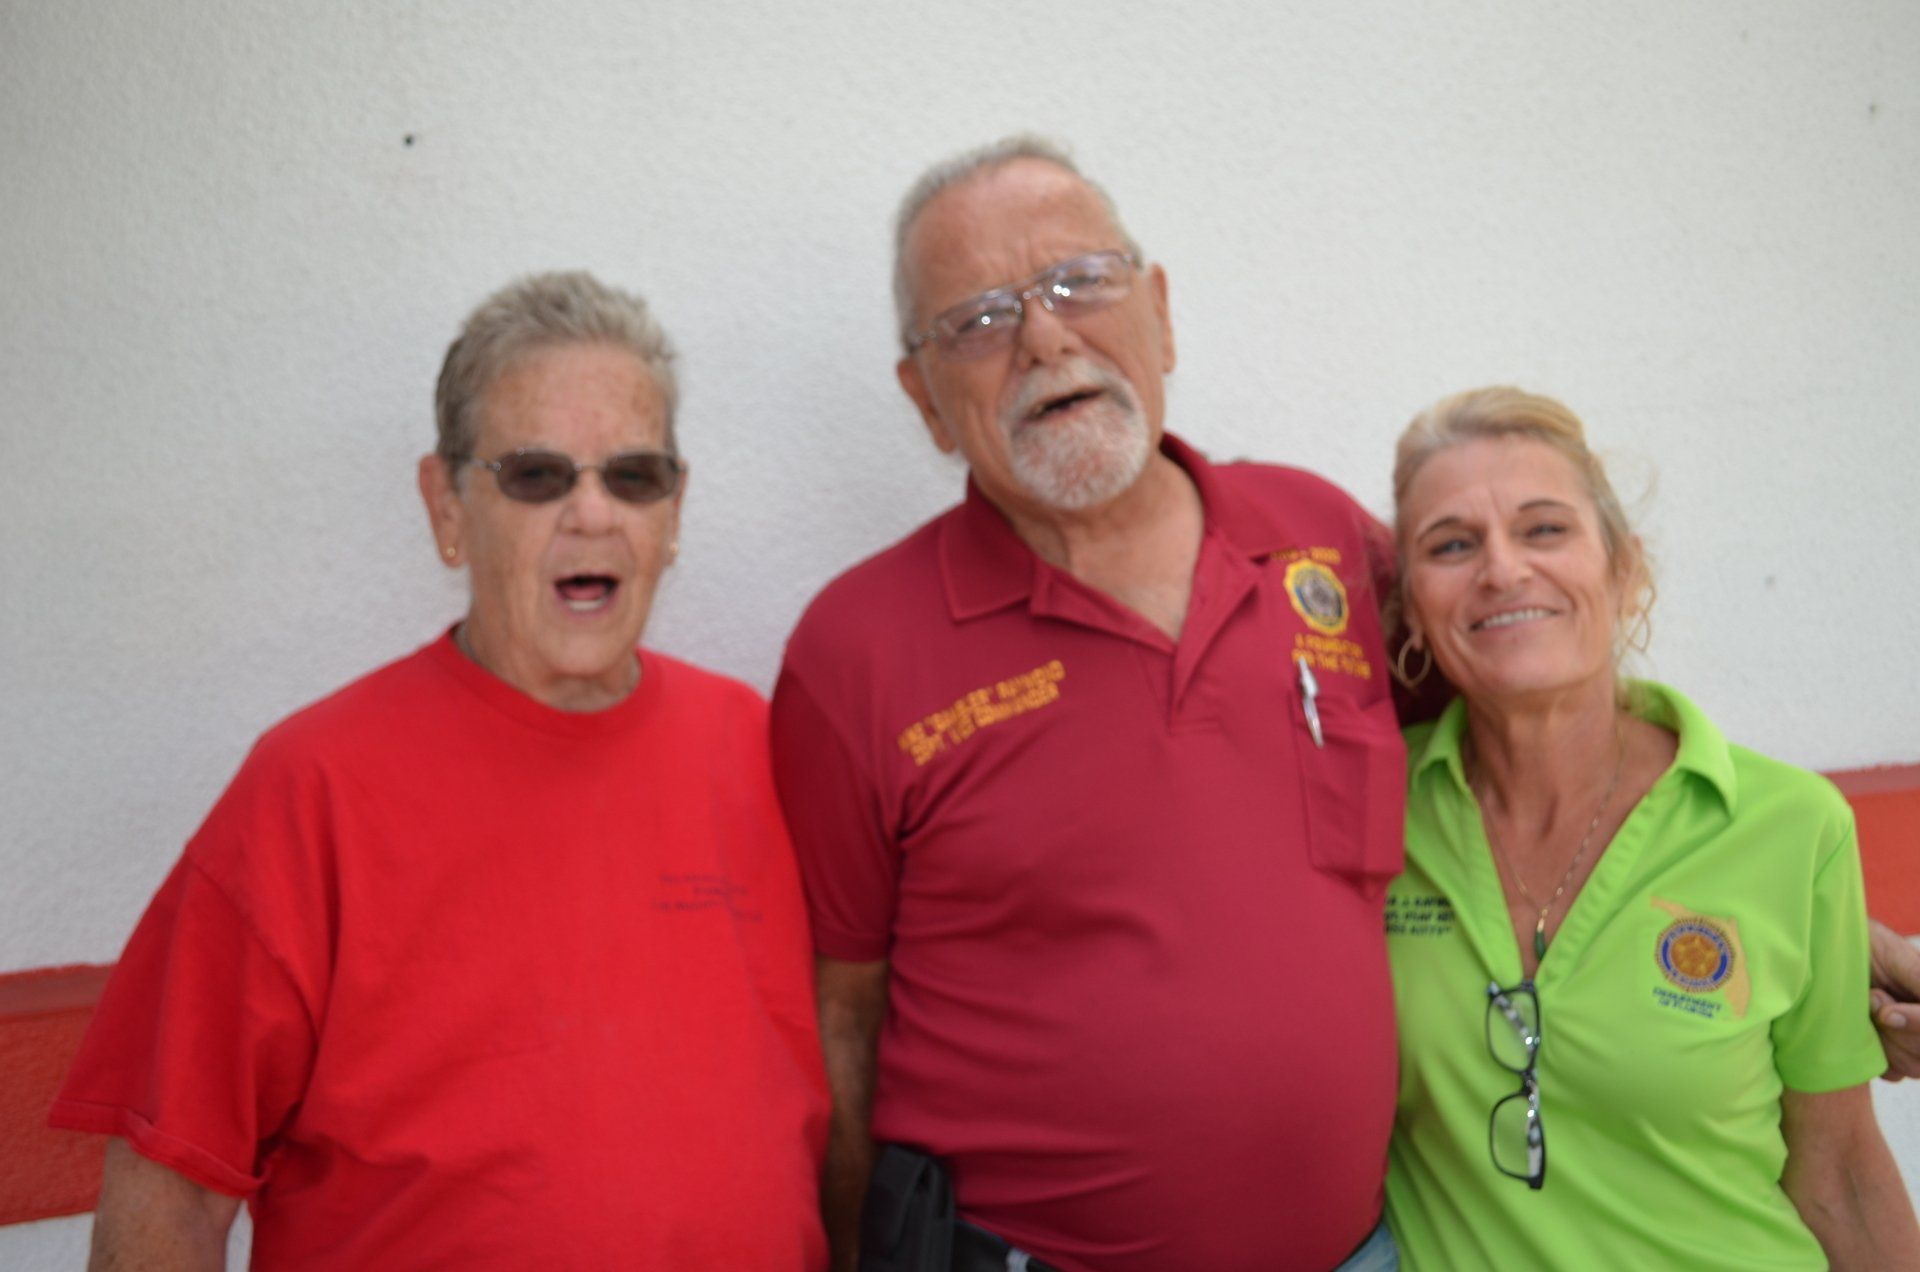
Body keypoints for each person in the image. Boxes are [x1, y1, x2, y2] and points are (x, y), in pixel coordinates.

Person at [51, 272, 828, 1269]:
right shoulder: (311, 789)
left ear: (674, 512)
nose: (593, 512)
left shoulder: (762, 747)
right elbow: (168, 1195)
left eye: (635, 476)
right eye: (537, 475)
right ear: (447, 506)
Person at [771, 137, 1408, 1272]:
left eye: (1079, 282)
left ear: (1160, 313)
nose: (1045, 338)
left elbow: (1507, 745)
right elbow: (843, 1019)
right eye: (978, 320)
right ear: (925, 400)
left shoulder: (1322, 538)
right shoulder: (854, 652)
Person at [1382, 385, 1920, 1269]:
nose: (1503, 570)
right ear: (1410, 605)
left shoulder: (1790, 824)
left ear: (1624, 569)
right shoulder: (1367, 807)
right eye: (1451, 544)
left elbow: (1843, 1170)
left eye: (1544, 528)